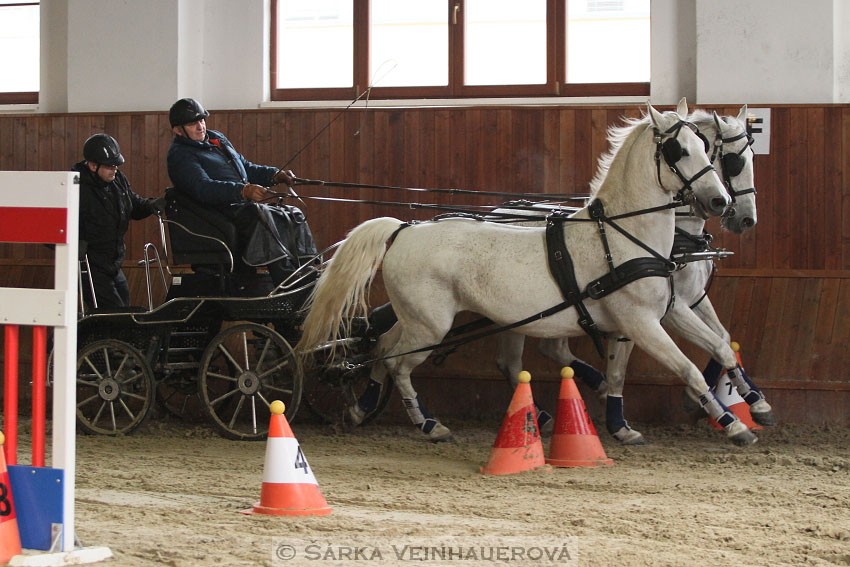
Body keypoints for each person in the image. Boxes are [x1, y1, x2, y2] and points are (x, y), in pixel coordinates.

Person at [166, 98, 317, 286]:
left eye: (202, 120)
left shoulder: (217, 139)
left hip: (240, 207)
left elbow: (245, 167)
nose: (200, 126)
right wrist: (243, 191)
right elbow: (203, 187)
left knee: (292, 214)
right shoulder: (180, 155)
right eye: (192, 123)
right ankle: (286, 279)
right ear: (178, 130)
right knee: (260, 215)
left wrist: (275, 175)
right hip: (217, 214)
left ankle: (307, 268)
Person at [73, 133, 164, 309]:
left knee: (122, 310)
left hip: (113, 264)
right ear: (93, 165)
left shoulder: (118, 180)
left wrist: (150, 204)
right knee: (114, 314)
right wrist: (72, 243)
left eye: (116, 165)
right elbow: (52, 226)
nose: (114, 169)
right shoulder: (74, 187)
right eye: (109, 166)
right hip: (89, 266)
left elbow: (132, 205)